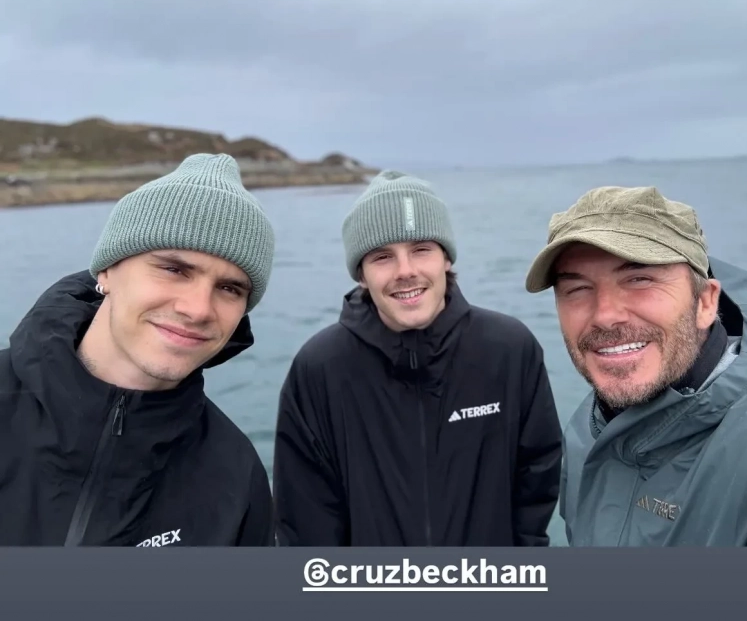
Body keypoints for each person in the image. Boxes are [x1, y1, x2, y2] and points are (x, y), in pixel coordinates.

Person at [525, 185, 747, 547]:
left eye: (639, 280)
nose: (605, 315)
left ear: (706, 302)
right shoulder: (588, 431)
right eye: (577, 289)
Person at [274, 170, 562, 546]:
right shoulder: (319, 368)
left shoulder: (509, 349)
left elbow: (538, 477)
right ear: (361, 275)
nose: (406, 271)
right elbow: (305, 519)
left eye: (421, 249)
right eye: (382, 257)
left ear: (446, 258)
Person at [0, 153, 276, 546]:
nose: (198, 309)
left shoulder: (236, 474)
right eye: (174, 269)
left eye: (230, 288)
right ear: (107, 270)